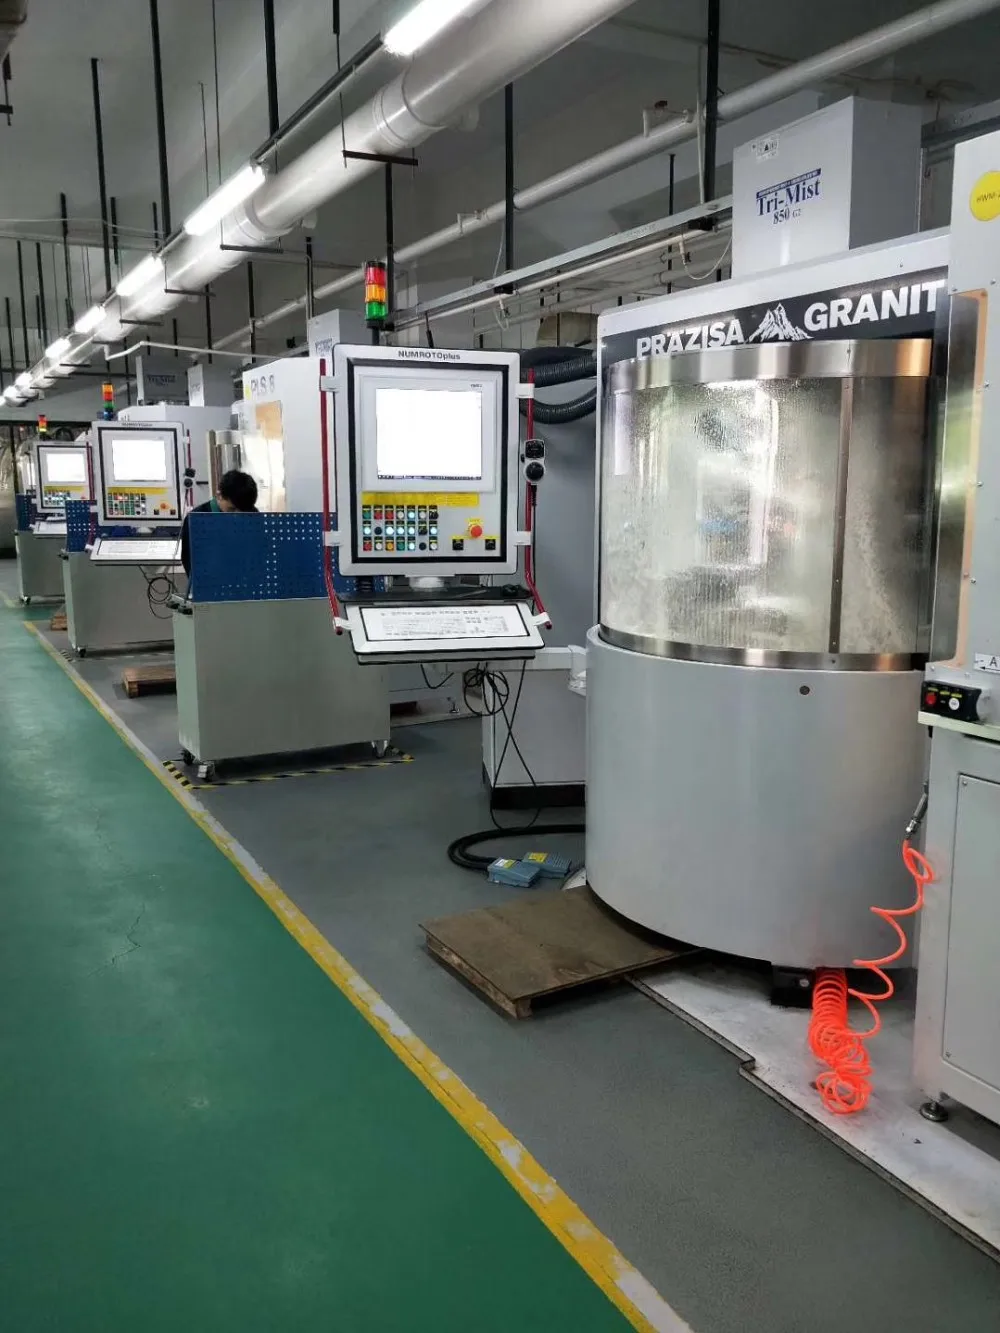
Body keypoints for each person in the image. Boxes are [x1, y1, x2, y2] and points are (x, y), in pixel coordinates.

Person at [180, 469, 258, 578]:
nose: (237, 515)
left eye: (243, 511)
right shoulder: (196, 519)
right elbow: (189, 561)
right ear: (219, 495)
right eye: (232, 509)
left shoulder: (253, 514)